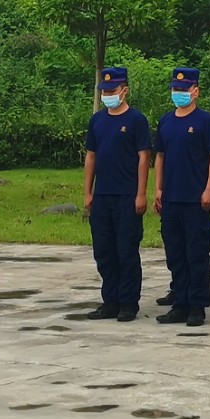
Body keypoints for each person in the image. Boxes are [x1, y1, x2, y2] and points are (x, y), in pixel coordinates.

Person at [153, 68, 210, 328]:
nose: (179, 93)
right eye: (176, 89)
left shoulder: (204, 121)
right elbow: (160, 156)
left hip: (195, 199)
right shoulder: (166, 121)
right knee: (175, 254)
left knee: (196, 254)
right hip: (171, 198)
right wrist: (158, 188)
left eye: (184, 89)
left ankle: (197, 306)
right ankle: (180, 303)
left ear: (195, 91)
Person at [85, 66, 151, 323]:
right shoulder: (97, 120)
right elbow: (91, 156)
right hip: (103, 195)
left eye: (112, 91)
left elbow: (143, 158)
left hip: (126, 195)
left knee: (126, 251)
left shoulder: (136, 120)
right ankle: (109, 301)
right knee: (104, 251)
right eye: (105, 91)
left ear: (124, 90)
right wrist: (88, 192)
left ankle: (128, 302)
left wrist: (141, 193)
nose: (108, 95)